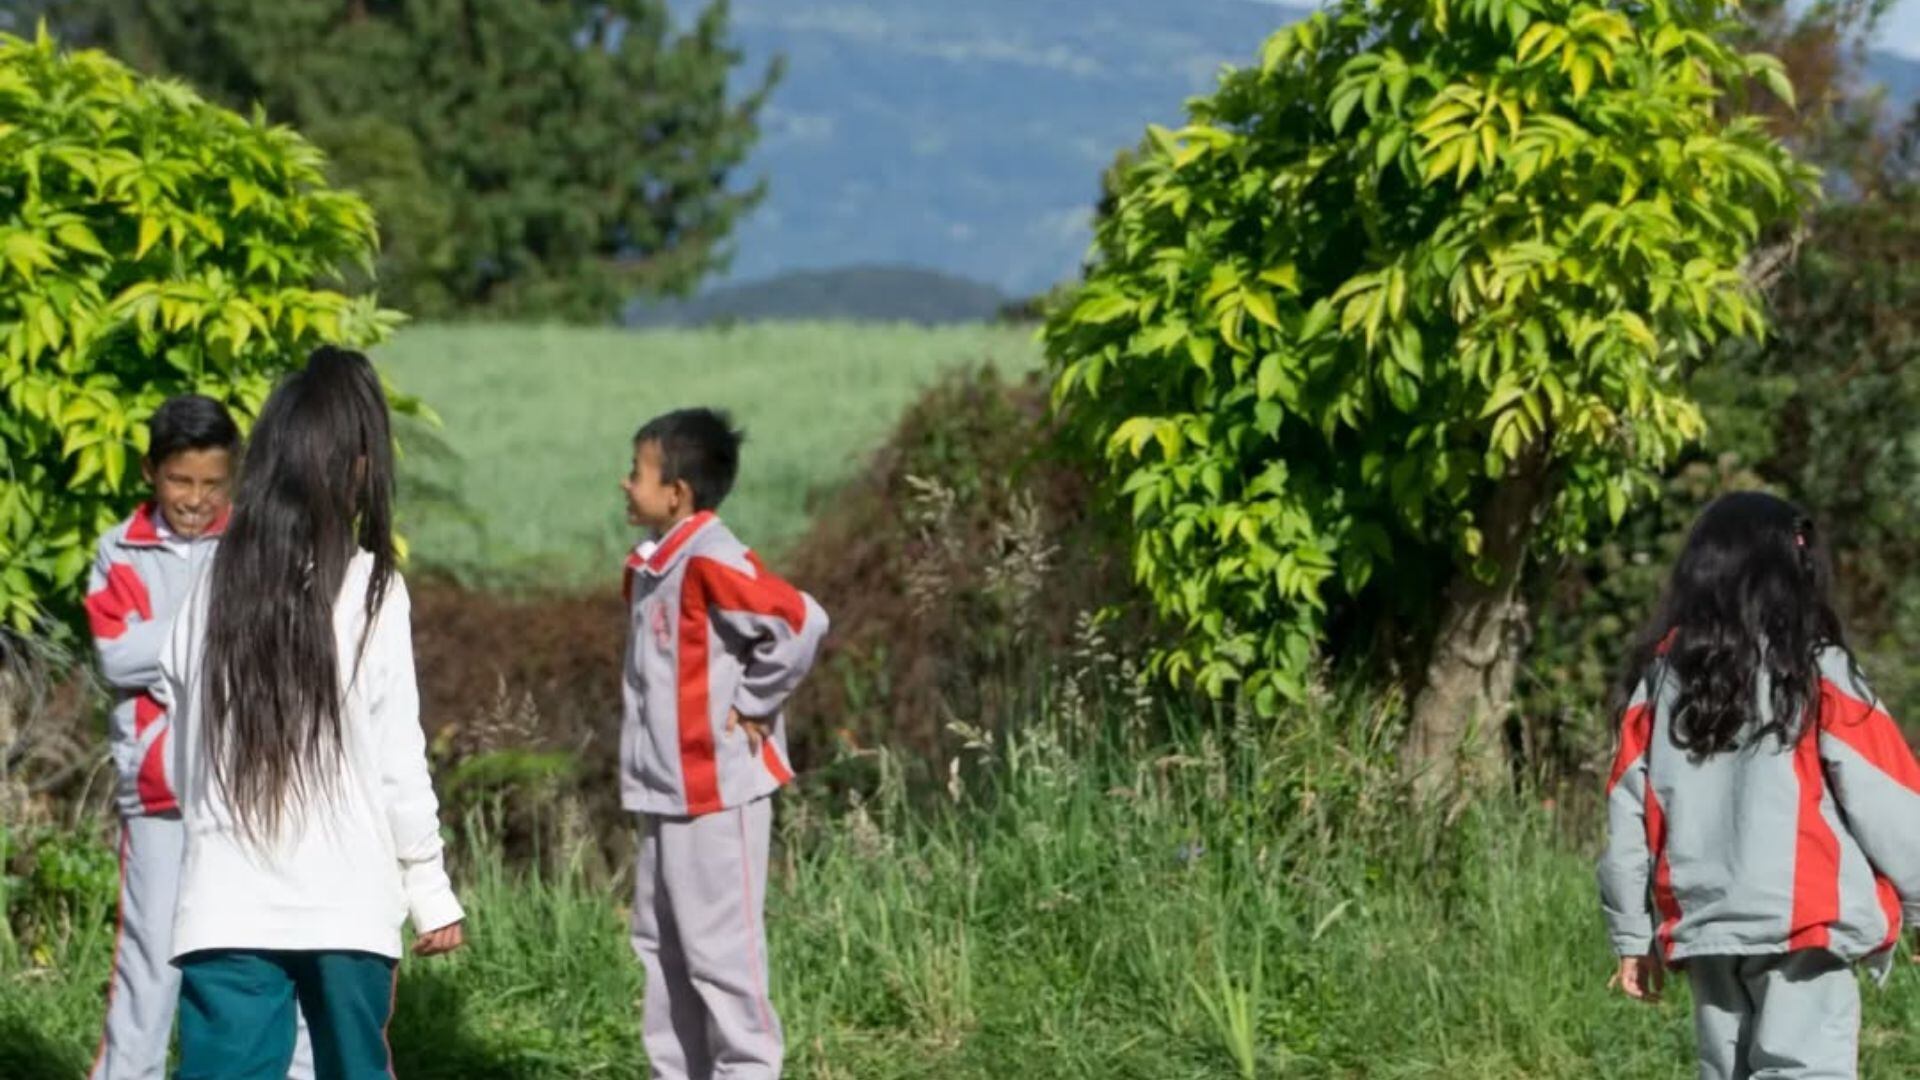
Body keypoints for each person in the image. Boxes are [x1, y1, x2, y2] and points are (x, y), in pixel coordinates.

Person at [158, 347, 465, 1080]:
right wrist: (429, 887)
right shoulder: (372, 590)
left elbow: (181, 742)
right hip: (348, 904)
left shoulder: (210, 587)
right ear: (360, 466)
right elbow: (398, 758)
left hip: (224, 904)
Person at [1599, 491, 1920, 1079]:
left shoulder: (1660, 679)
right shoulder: (1817, 669)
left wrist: (1631, 933)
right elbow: (1889, 795)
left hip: (1706, 927)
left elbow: (1626, 813)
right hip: (1804, 925)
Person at [85, 394, 320, 1079]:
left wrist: (174, 647)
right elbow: (113, 656)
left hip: (250, 786)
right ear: (150, 472)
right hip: (158, 793)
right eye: (179, 481)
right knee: (151, 957)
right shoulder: (118, 549)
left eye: (212, 483)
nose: (195, 498)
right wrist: (222, 633)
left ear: (236, 476)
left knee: (272, 945)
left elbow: (278, 647)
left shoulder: (260, 544)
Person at [618, 407, 830, 1079]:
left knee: (722, 957)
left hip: (716, 796)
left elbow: (801, 620)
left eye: (637, 472)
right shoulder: (654, 565)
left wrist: (753, 704)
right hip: (664, 794)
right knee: (661, 949)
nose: (625, 484)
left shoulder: (712, 559)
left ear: (676, 492)